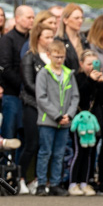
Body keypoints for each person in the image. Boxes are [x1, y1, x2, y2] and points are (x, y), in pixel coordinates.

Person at [35, 40, 79, 196]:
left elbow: (75, 96)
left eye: (62, 57)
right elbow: (41, 97)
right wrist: (57, 115)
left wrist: (69, 114)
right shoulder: (43, 73)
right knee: (45, 152)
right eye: (56, 57)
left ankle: (55, 183)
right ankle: (41, 183)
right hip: (48, 121)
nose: (59, 60)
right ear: (49, 55)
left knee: (59, 153)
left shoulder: (69, 74)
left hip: (65, 121)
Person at [19, 21, 57, 194]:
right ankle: (20, 178)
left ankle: (38, 180)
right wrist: (46, 96)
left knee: (46, 146)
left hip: (51, 108)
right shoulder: (29, 57)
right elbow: (28, 84)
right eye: (47, 37)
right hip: (32, 105)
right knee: (31, 143)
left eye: (52, 37)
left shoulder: (54, 58)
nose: (51, 40)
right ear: (38, 38)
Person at [71, 49, 103, 196]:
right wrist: (90, 81)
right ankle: (73, 182)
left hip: (94, 120)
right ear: (81, 64)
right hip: (80, 120)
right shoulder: (78, 77)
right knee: (79, 152)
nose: (92, 67)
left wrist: (101, 84)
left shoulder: (100, 77)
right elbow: (80, 96)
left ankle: (86, 182)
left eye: (95, 63)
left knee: (91, 153)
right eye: (89, 64)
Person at [0, 5, 34, 142]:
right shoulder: (7, 39)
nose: (32, 20)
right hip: (12, 94)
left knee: (25, 135)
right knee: (9, 133)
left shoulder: (32, 40)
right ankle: (5, 162)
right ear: (17, 18)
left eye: (33, 17)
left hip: (29, 97)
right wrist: (24, 85)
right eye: (29, 17)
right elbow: (5, 68)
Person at [56, 3, 86, 71]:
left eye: (82, 18)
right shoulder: (58, 42)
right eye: (76, 18)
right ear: (65, 20)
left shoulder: (84, 41)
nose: (80, 21)